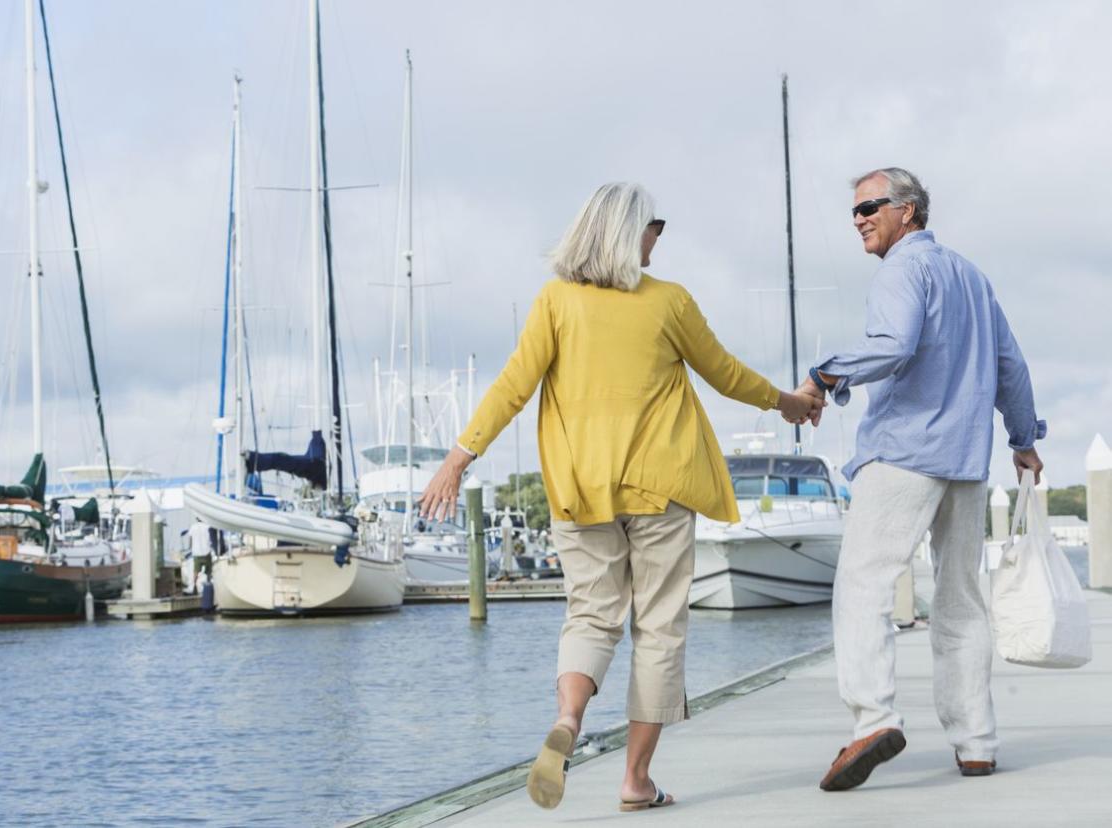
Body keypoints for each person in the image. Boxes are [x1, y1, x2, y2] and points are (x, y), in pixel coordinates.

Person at [418, 182, 821, 812]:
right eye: (654, 223)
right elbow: (726, 374)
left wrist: (458, 457)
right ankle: (635, 781)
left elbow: (512, 387)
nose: (660, 234)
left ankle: (569, 721)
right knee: (658, 629)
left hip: (580, 490)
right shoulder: (668, 302)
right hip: (661, 489)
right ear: (627, 232)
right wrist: (789, 403)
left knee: (590, 616)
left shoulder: (555, 302)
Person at [799, 167, 1045, 791]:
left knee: (862, 586)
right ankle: (976, 743)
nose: (858, 219)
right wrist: (1022, 440)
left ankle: (872, 720)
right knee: (961, 602)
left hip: (906, 453)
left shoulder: (902, 270)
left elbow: (895, 343)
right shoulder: (971, 277)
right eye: (853, 211)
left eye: (870, 207)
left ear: (908, 211)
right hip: (965, 462)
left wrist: (827, 375)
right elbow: (1010, 363)